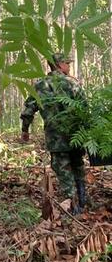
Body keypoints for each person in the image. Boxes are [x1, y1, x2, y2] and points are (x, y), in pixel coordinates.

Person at [21, 52, 87, 213]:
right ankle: (83, 200)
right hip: (76, 135)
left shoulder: (40, 85)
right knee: (78, 165)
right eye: (67, 63)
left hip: (56, 137)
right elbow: (85, 109)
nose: (69, 66)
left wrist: (25, 130)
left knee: (62, 168)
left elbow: (29, 110)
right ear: (59, 65)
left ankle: (74, 205)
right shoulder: (73, 84)